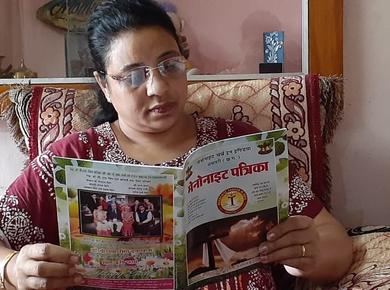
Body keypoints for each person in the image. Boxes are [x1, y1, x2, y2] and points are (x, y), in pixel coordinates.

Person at [0, 0, 352, 289]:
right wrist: (13, 268)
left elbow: (334, 241)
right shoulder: (70, 161)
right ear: (105, 85)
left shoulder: (242, 146)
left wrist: (309, 253)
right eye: (134, 75)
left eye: (169, 65)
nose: (158, 88)